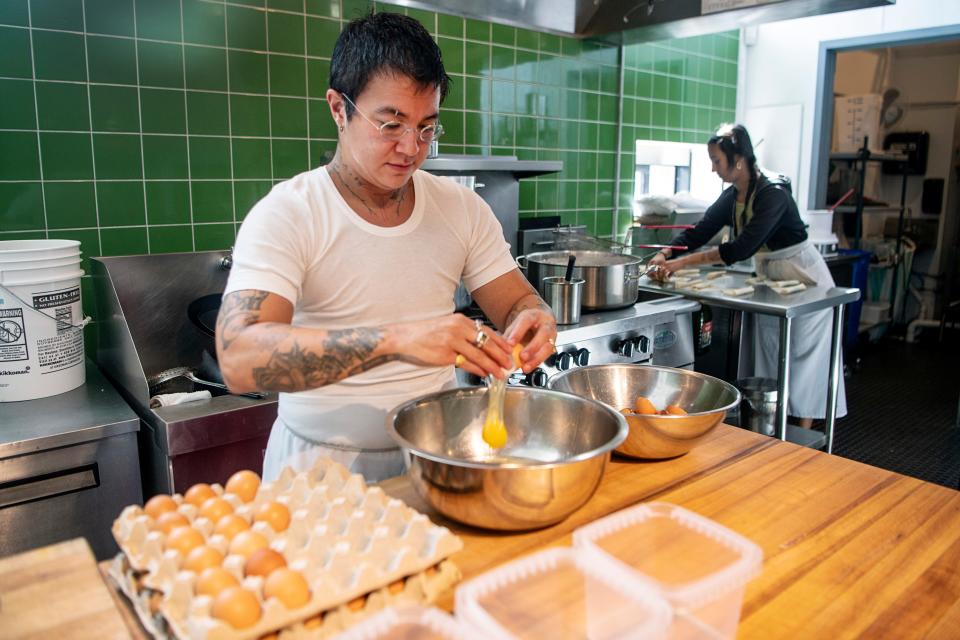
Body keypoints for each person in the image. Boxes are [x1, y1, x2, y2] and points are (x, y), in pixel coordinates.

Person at [215, 12, 557, 482]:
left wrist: (533, 317)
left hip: (434, 460)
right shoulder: (289, 213)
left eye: (426, 128)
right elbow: (239, 358)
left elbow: (516, 301)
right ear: (339, 108)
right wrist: (397, 340)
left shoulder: (461, 209)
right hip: (318, 470)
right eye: (390, 124)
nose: (411, 148)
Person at [648, 124, 846, 427]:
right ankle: (769, 422)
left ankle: (804, 431)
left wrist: (684, 263)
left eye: (717, 161)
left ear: (738, 159)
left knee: (804, 358)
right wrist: (666, 253)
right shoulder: (734, 196)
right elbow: (700, 230)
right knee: (770, 350)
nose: (713, 169)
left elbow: (741, 248)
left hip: (804, 276)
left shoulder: (773, 194)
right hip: (771, 277)